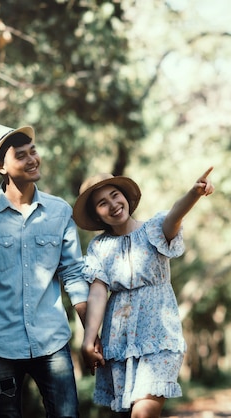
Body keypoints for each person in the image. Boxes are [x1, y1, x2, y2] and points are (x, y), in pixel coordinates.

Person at [0, 124, 94, 418]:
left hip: (52, 341)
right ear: (2, 166)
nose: (33, 159)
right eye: (21, 155)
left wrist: (90, 333)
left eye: (34, 151)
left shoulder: (60, 211)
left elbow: (74, 274)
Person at [72, 167, 215, 417]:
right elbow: (97, 294)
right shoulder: (99, 247)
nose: (113, 205)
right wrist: (89, 339)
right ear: (96, 214)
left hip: (159, 335)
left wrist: (194, 193)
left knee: (143, 413)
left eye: (115, 195)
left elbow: (175, 214)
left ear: (125, 197)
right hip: (119, 340)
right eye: (102, 203)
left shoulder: (154, 229)